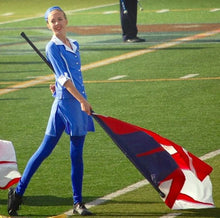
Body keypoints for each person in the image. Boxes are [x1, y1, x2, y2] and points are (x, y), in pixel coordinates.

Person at [8, 6, 95, 216]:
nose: (57, 23)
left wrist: (57, 84)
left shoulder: (75, 44)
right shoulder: (52, 47)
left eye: (59, 19)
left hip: (74, 102)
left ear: (66, 20)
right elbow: (65, 77)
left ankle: (78, 203)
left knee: (76, 154)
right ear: (48, 25)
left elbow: (67, 75)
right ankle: (17, 193)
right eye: (52, 21)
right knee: (44, 151)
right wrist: (82, 100)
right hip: (68, 105)